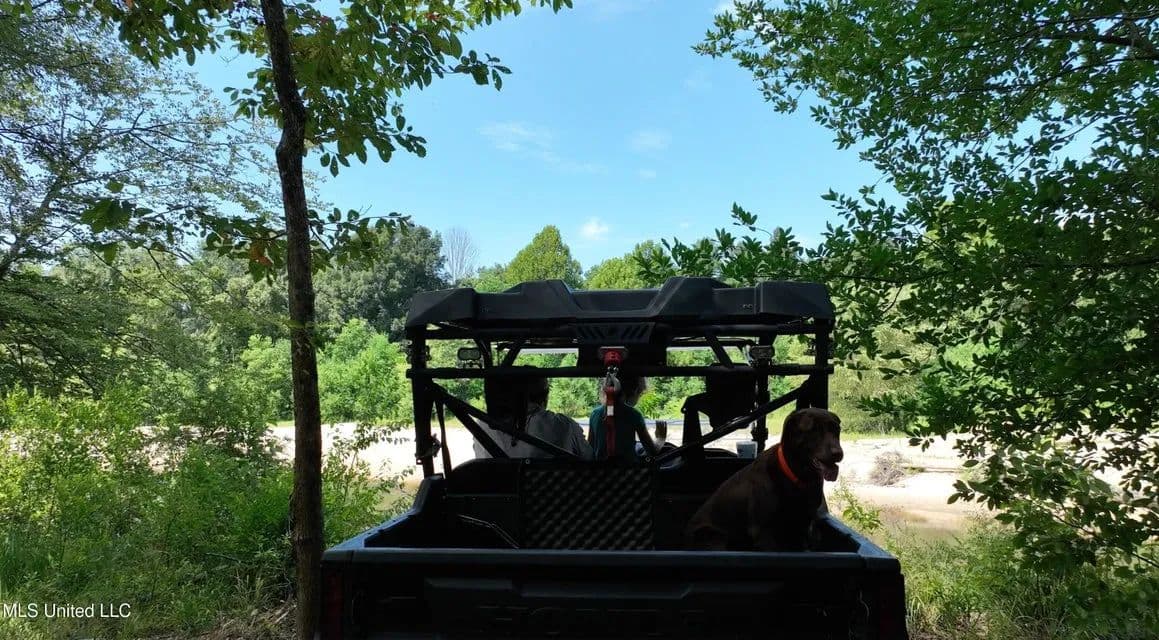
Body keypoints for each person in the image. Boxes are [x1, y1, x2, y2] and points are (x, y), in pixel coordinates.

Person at [473, 375, 593, 460]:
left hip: (499, 488)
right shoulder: (565, 425)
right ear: (545, 397)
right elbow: (590, 460)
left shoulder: (484, 424)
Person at [588, 374, 648, 461]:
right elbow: (652, 450)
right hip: (629, 468)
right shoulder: (634, 415)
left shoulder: (595, 414)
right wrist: (661, 438)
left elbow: (590, 449)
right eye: (640, 394)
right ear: (635, 391)